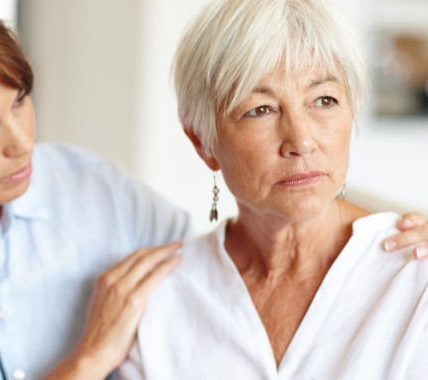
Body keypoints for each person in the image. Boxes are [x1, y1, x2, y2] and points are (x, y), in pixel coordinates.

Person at [0, 1, 426, 380]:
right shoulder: (170, 298)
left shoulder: (99, 195)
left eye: (21, 99)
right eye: (259, 110)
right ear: (202, 141)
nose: (24, 144)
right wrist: (89, 360)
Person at [116, 0, 428, 379]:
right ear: (202, 142)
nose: (301, 139)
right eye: (261, 109)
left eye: (324, 100)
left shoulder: (415, 275)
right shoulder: (160, 299)